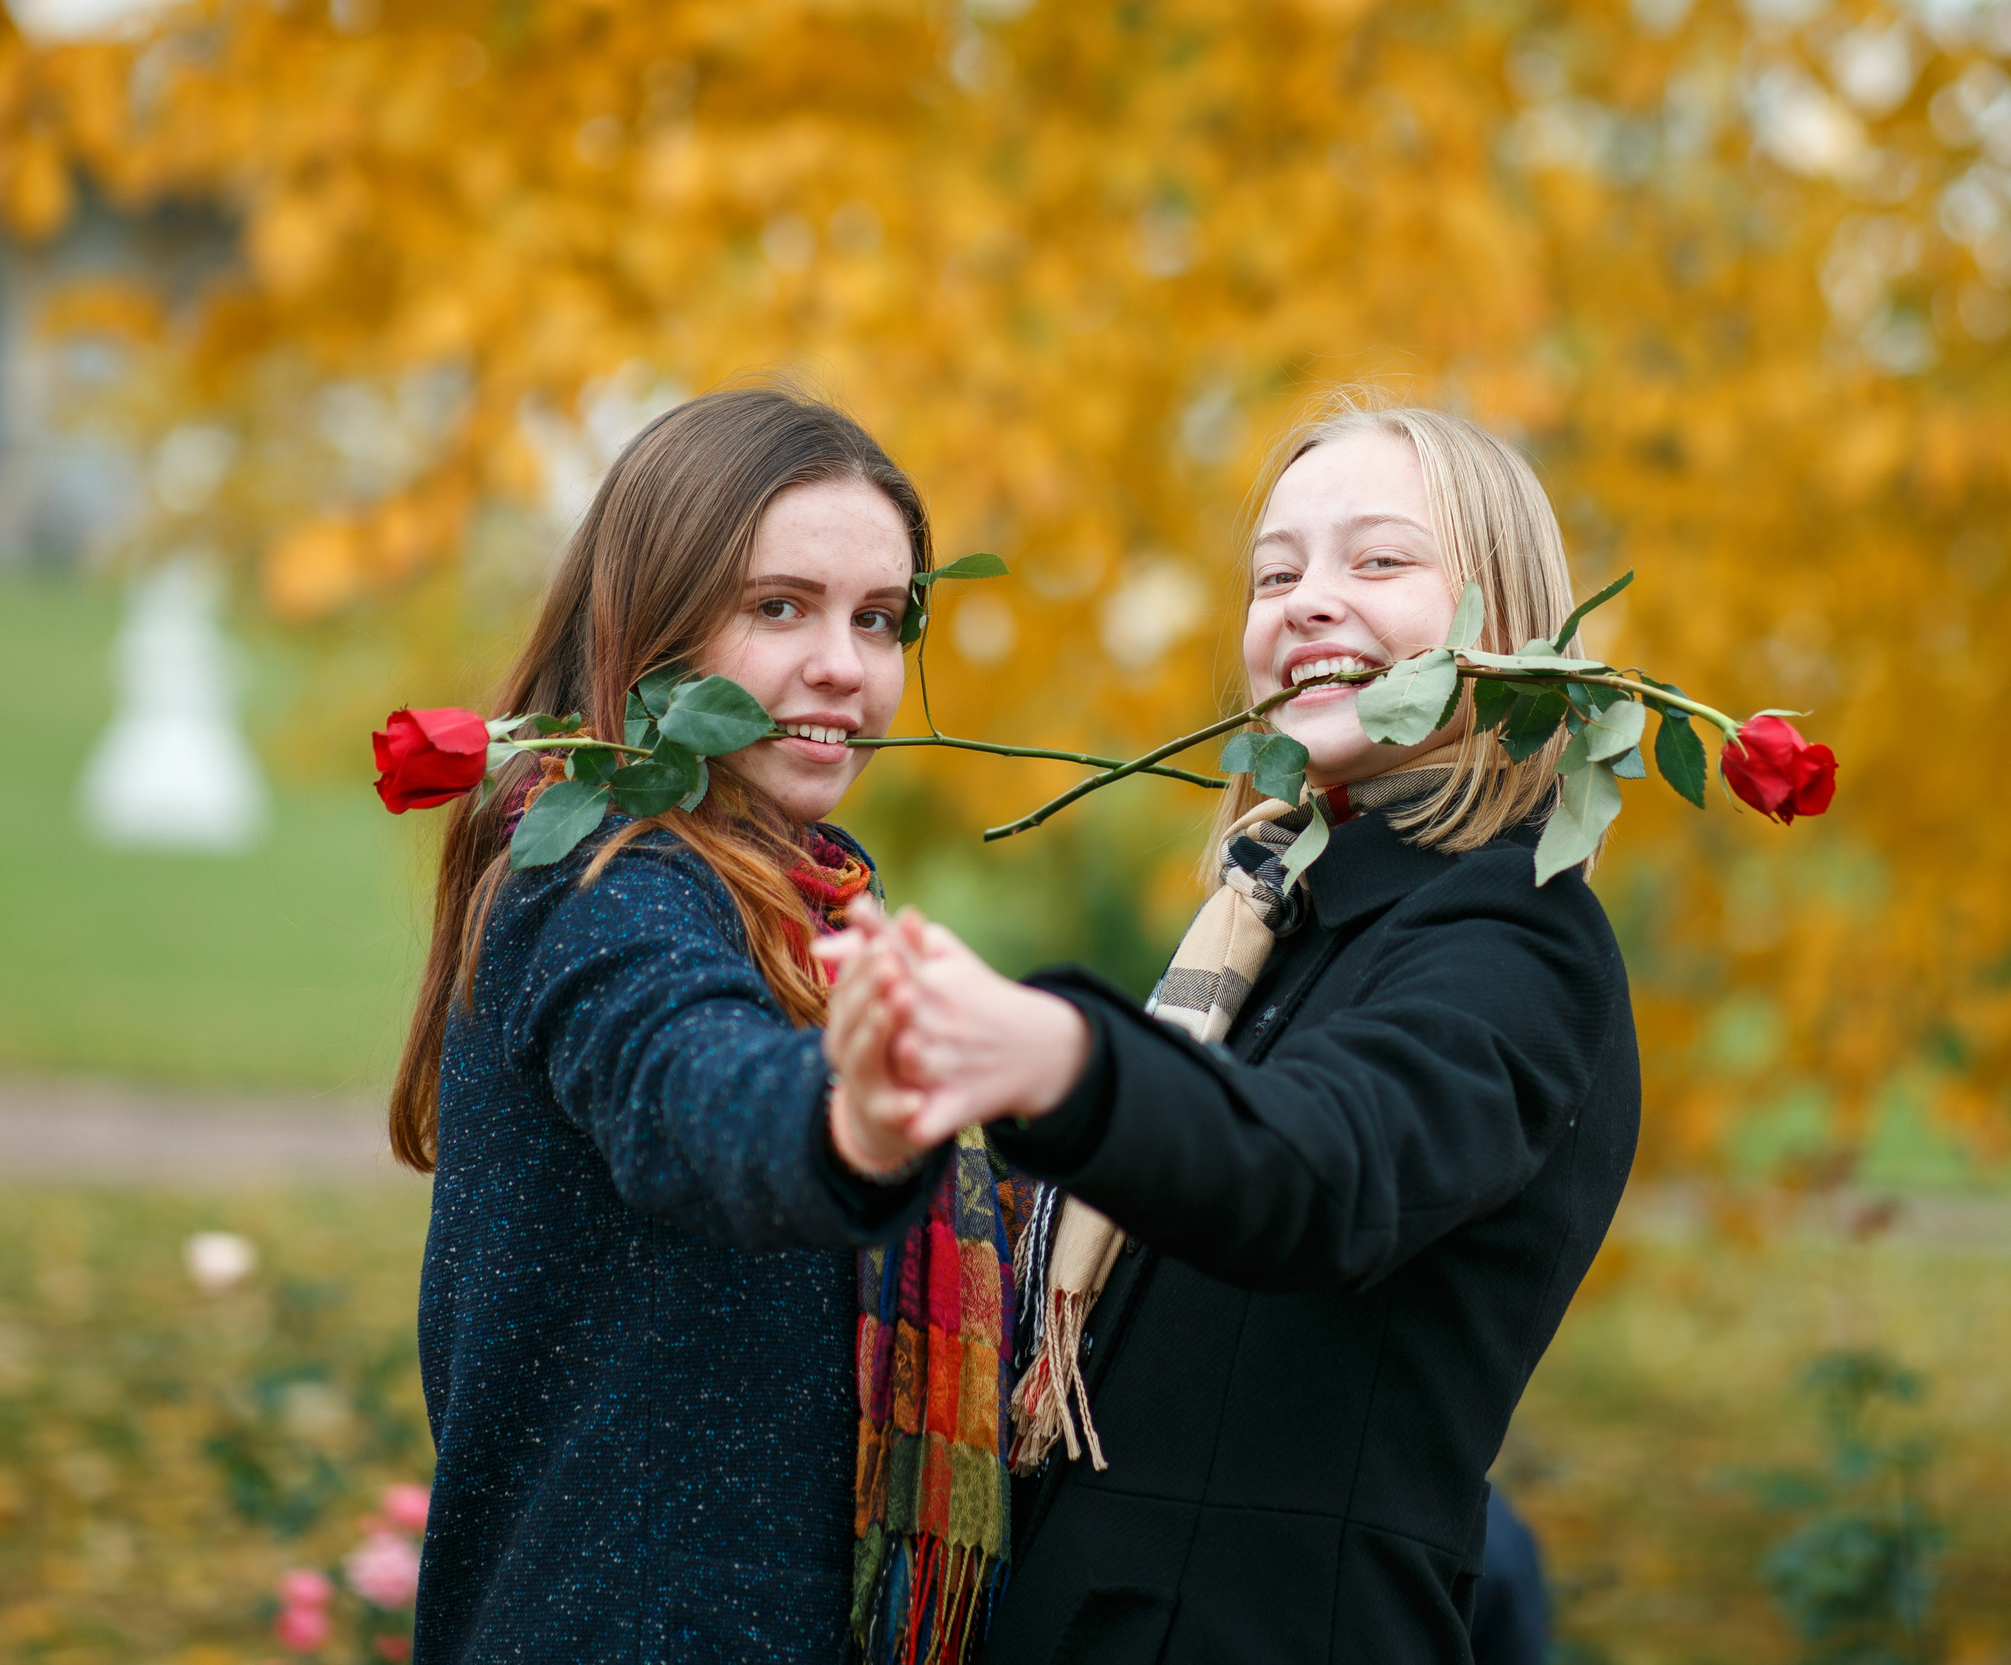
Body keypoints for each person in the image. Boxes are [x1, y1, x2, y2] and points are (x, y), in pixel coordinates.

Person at [822, 402, 1640, 1664]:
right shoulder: (1263, 931)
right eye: (1276, 572)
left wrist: (1064, 1060)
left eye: (1378, 561)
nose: (1309, 601)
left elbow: (1318, 1165)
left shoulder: (1513, 939)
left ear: (1515, 634)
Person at [394, 388, 1023, 1663]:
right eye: (778, 607)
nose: (841, 666)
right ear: (653, 626)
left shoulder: (813, 904)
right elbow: (688, 1082)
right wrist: (844, 1115)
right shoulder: (603, 881)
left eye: (879, 619)